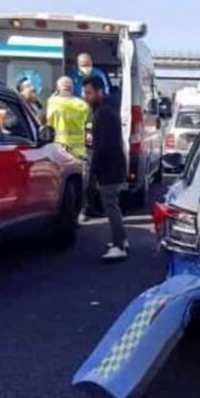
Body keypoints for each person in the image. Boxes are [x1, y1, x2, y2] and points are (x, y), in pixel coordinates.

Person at [82, 76, 129, 261]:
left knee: (110, 206)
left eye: (89, 93)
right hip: (113, 166)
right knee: (112, 205)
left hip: (109, 167)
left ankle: (119, 245)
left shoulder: (104, 113)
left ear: (99, 91)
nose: (85, 96)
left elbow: (104, 145)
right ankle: (121, 240)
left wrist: (94, 169)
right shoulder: (106, 109)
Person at [47, 76, 90, 158]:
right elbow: (88, 127)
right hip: (78, 152)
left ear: (58, 88)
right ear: (72, 88)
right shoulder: (82, 105)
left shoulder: (52, 102)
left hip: (57, 150)